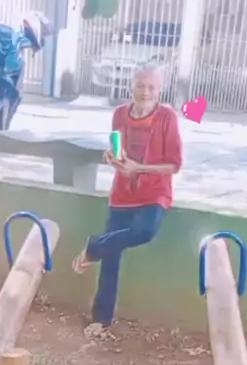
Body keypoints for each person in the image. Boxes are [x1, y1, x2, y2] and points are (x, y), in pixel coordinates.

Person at [72, 66, 183, 339]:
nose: (145, 92)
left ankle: (93, 246)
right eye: (140, 85)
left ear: (159, 91)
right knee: (111, 258)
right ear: (131, 86)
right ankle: (101, 319)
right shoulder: (120, 114)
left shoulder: (167, 117)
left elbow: (174, 165)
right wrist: (112, 157)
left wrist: (139, 168)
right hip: (122, 194)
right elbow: (119, 152)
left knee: (144, 232)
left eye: (151, 87)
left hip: (154, 193)